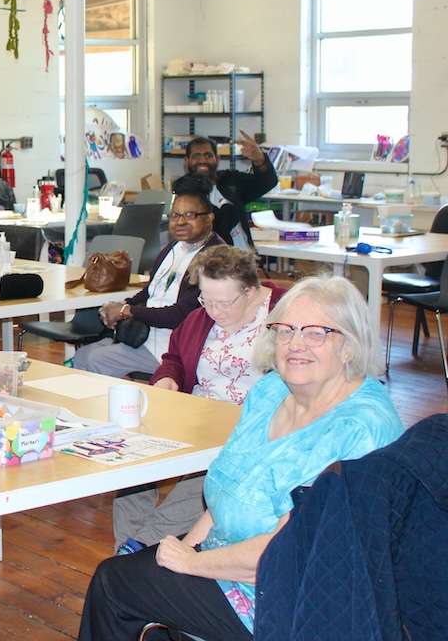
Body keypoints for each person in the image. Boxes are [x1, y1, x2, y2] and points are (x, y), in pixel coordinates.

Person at [78, 275, 405, 641]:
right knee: (138, 580)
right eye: (286, 330)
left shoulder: (359, 429)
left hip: (286, 599)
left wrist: (192, 563)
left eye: (316, 333)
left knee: (114, 584)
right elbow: (229, 490)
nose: (295, 344)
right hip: (230, 554)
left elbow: (291, 553)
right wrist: (186, 548)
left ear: (350, 346)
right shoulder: (271, 390)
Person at [113, 246, 287, 553]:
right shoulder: (199, 318)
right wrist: (169, 377)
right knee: (132, 461)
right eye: (206, 300)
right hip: (198, 416)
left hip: (253, 426)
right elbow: (175, 358)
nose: (214, 312)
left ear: (250, 289)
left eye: (224, 303)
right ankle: (129, 549)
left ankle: (141, 543)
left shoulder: (285, 314)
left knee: (212, 477)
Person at [72, 173, 225, 378]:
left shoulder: (215, 257)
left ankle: (118, 408)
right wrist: (120, 305)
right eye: (174, 215)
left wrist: (127, 310)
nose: (180, 222)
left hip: (176, 346)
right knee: (83, 355)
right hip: (149, 336)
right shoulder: (174, 248)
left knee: (96, 360)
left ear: (209, 217)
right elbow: (150, 292)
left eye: (189, 215)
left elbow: (181, 315)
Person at [185, 132, 277, 250]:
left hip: (246, 258)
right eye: (196, 156)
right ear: (187, 161)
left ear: (217, 159)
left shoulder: (230, 181)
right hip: (214, 261)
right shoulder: (185, 193)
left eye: (208, 155)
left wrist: (260, 160)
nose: (203, 160)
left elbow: (267, 182)